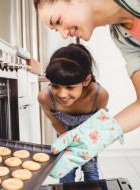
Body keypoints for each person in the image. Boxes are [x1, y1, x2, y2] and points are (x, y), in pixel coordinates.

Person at [33, 0, 140, 189]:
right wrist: (93, 137)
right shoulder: (123, 37)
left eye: (58, 21)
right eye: (55, 29)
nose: (63, 33)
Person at [38, 43, 109, 183]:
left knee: (90, 168)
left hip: (90, 135)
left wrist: (89, 147)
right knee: (65, 169)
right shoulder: (45, 97)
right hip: (64, 133)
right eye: (55, 85)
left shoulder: (99, 95)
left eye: (70, 87)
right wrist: (68, 144)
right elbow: (56, 122)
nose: (62, 94)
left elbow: (98, 123)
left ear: (86, 80)